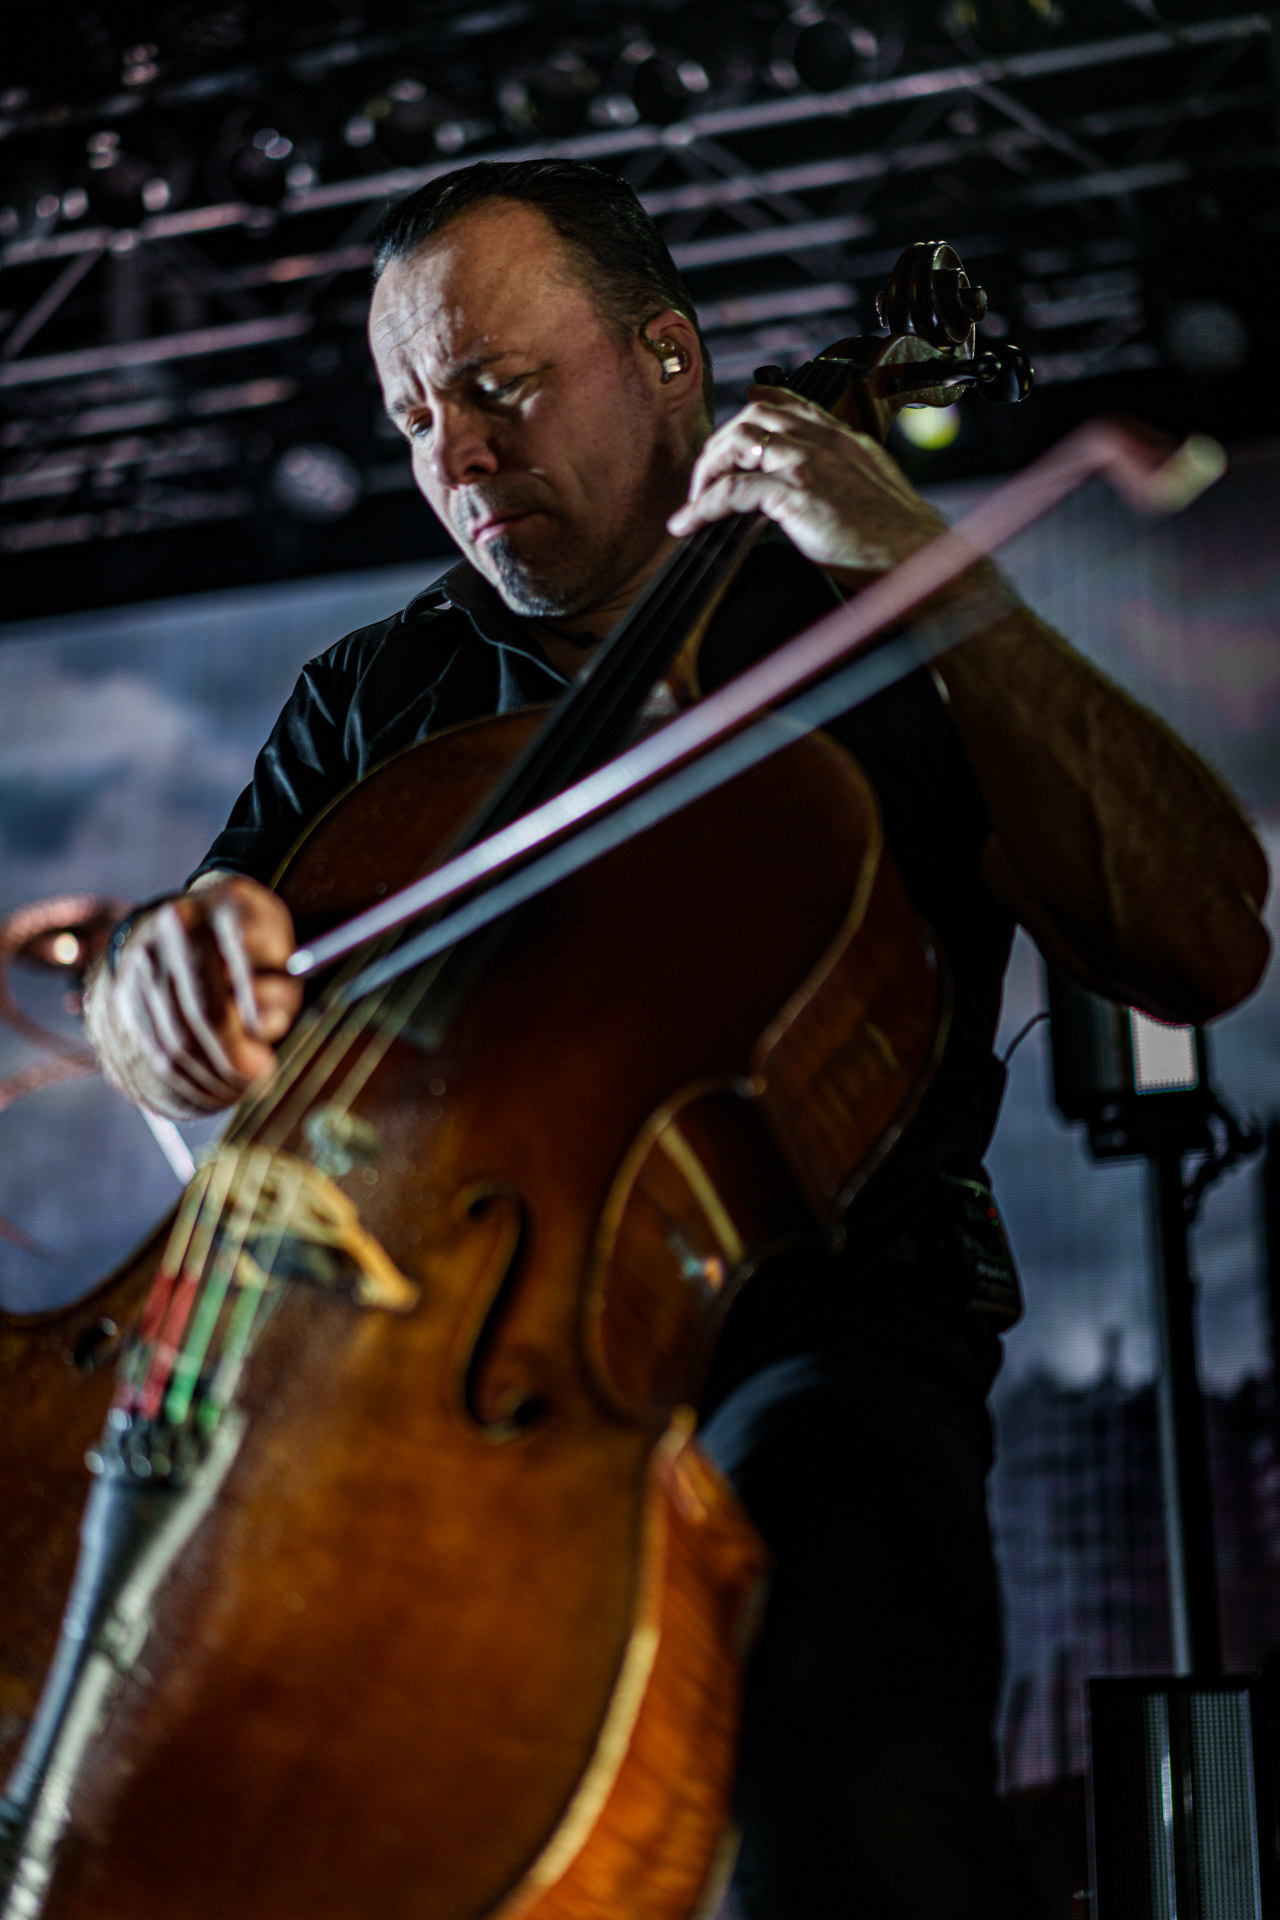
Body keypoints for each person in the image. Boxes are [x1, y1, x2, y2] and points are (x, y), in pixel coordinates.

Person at [84, 159, 1270, 1918]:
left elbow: (1200, 934)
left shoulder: (882, 636)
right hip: (435, 1364)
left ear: (666, 361)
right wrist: (159, 989)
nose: (458, 457)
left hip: (815, 1319)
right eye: (415, 416)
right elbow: (171, 988)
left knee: (838, 1806)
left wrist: (925, 569)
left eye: (499, 387)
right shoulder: (376, 693)